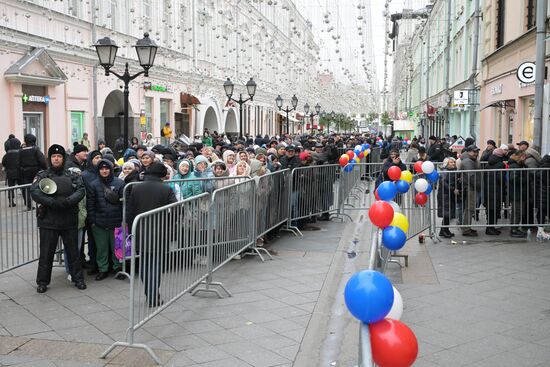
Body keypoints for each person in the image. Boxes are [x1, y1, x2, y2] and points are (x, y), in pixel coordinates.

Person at [30, 144, 87, 293]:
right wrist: (51, 202)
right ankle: (42, 282)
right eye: (54, 156)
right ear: (50, 158)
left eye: (59, 156)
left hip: (68, 219)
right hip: (49, 220)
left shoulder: (72, 174)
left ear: (63, 158)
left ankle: (78, 279)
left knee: (73, 251)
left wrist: (68, 201)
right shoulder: (42, 175)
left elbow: (81, 190)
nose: (56, 159)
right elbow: (34, 192)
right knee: (46, 253)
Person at [128, 162, 177, 307]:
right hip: (160, 231)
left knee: (144, 263)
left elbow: (130, 211)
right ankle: (153, 295)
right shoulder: (166, 189)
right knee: (156, 264)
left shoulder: (136, 188)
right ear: (162, 175)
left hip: (141, 231)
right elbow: (176, 209)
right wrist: (169, 223)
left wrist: (133, 229)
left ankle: (149, 294)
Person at [87, 159, 125, 280]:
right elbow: (90, 204)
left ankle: (117, 267)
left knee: (117, 247)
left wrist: (124, 220)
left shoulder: (120, 183)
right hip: (99, 222)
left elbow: (125, 203)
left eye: (106, 168)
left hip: (117, 221)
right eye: (102, 169)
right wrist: (93, 221)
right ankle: (103, 269)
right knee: (101, 248)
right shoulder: (93, 184)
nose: (104, 171)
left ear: (111, 169)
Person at [19, 134, 48, 210]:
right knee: (39, 186)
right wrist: (46, 169)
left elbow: (18, 162)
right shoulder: (35, 149)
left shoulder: (21, 150)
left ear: (26, 141)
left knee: (27, 189)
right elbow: (42, 160)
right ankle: (41, 203)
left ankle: (29, 205)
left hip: (25, 172)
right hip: (36, 171)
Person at [484, 148, 506, 235]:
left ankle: (490, 227)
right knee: (495, 209)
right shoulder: (501, 164)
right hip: (497, 189)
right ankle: (491, 228)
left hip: (488, 189)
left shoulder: (488, 164)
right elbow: (500, 179)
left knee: (490, 209)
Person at [460, 145, 481, 236]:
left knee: (469, 208)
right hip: (470, 187)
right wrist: (478, 186)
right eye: (474, 152)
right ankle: (466, 229)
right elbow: (471, 176)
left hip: (470, 187)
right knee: (470, 208)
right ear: (468, 152)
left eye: (476, 152)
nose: (476, 153)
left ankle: (467, 227)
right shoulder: (468, 162)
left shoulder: (469, 160)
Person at [437, 157, 458, 238]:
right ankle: (444, 230)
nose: (453, 164)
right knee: (447, 214)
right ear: (447, 164)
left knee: (448, 214)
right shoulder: (445, 172)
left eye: (454, 162)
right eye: (451, 162)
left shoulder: (452, 171)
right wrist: (453, 189)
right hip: (444, 195)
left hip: (448, 194)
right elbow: (444, 183)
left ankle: (444, 230)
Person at [508, 152, 528, 238]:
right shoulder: (514, 166)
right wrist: (525, 179)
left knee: (518, 212)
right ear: (518, 157)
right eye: (523, 156)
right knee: (517, 212)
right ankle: (514, 230)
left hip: (519, 193)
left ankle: (515, 228)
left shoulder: (518, 165)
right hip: (516, 193)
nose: (524, 158)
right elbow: (513, 179)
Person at [2, 137, 21, 207]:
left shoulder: (7, 154)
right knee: (23, 187)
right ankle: (27, 202)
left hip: (10, 173)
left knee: (11, 188)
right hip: (19, 172)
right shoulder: (20, 152)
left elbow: (3, 162)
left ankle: (11, 202)